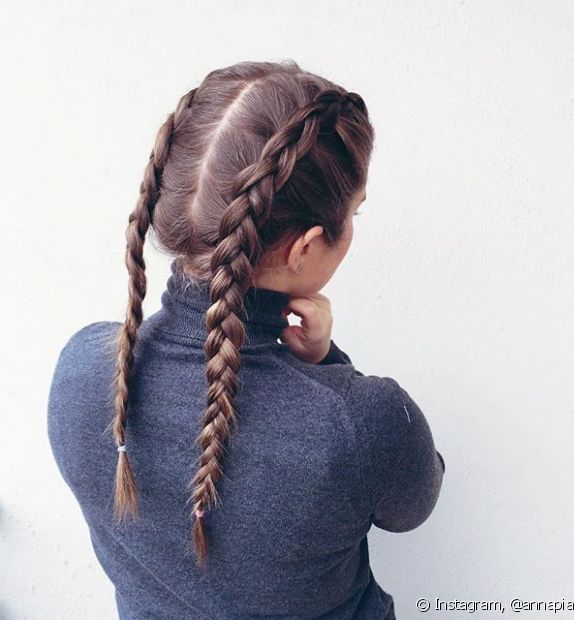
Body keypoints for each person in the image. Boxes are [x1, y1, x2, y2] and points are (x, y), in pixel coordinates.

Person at [47, 59, 446, 620]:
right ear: (305, 248)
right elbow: (413, 505)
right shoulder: (361, 419)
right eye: (354, 213)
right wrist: (330, 367)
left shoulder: (81, 370)